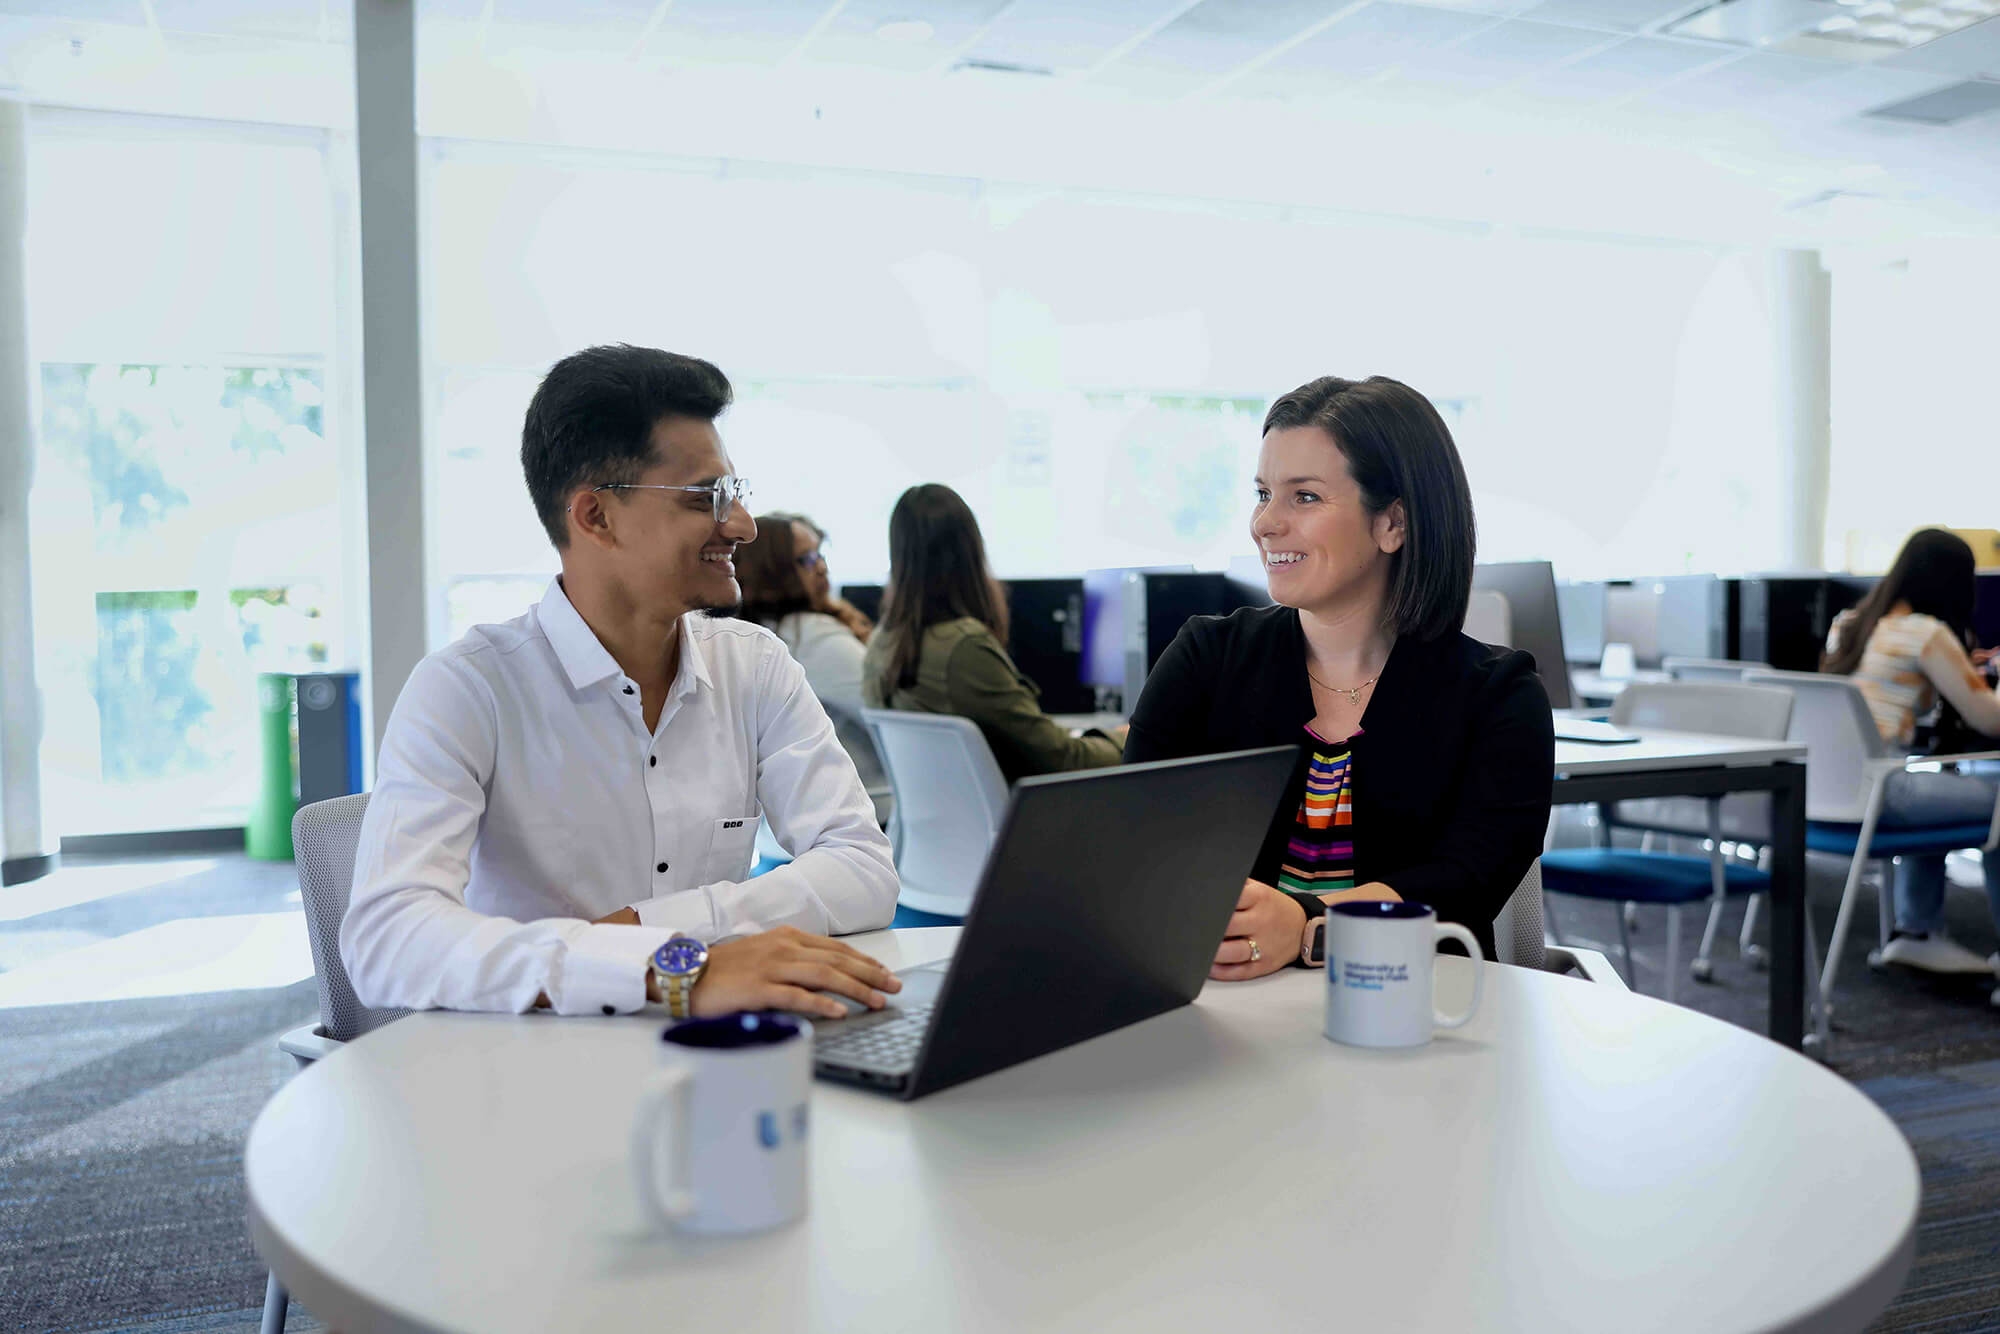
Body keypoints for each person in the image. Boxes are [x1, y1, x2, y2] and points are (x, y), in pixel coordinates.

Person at [341, 345, 902, 1021]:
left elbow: (865, 870)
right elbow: (386, 940)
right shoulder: (468, 690)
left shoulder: (754, 665)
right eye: (706, 498)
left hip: (719, 1053)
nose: (743, 526)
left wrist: (648, 931)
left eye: (736, 495)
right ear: (595, 517)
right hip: (527, 1069)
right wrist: (672, 970)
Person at [1124, 375, 1554, 979]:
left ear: (1393, 524)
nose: (1265, 524)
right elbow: (1133, 840)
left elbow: (1465, 883)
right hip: (1225, 1014)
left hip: (1415, 1018)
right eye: (1262, 493)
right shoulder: (1207, 660)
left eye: (1304, 497)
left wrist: (1306, 926)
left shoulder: (1498, 697)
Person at [1822, 527, 2000, 992]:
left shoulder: (1849, 623)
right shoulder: (1926, 633)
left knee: (1939, 781)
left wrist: (1965, 666)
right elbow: (1988, 719)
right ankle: (1924, 930)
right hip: (1886, 792)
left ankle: (1917, 928)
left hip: (1833, 791)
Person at [862, 483, 1123, 781]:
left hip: (930, 826)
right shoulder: (963, 647)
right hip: (1020, 820)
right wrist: (1133, 736)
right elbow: (1065, 759)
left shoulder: (882, 643)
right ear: (970, 552)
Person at [735, 512, 891, 822]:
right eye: (805, 560)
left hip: (792, 820)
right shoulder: (810, 635)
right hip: (868, 807)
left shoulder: (751, 633)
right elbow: (892, 707)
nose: (821, 566)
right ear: (773, 571)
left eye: (819, 554)